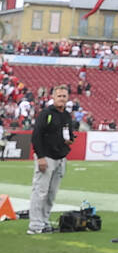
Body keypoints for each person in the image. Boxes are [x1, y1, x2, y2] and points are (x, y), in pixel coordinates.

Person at [28, 85, 74, 234]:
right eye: (59, 96)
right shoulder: (46, 113)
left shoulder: (66, 115)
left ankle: (44, 222)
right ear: (53, 97)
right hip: (47, 157)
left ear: (68, 98)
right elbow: (36, 136)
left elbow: (68, 134)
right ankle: (35, 225)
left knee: (51, 194)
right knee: (40, 192)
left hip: (60, 158)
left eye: (64, 96)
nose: (61, 99)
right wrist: (40, 157)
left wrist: (69, 140)